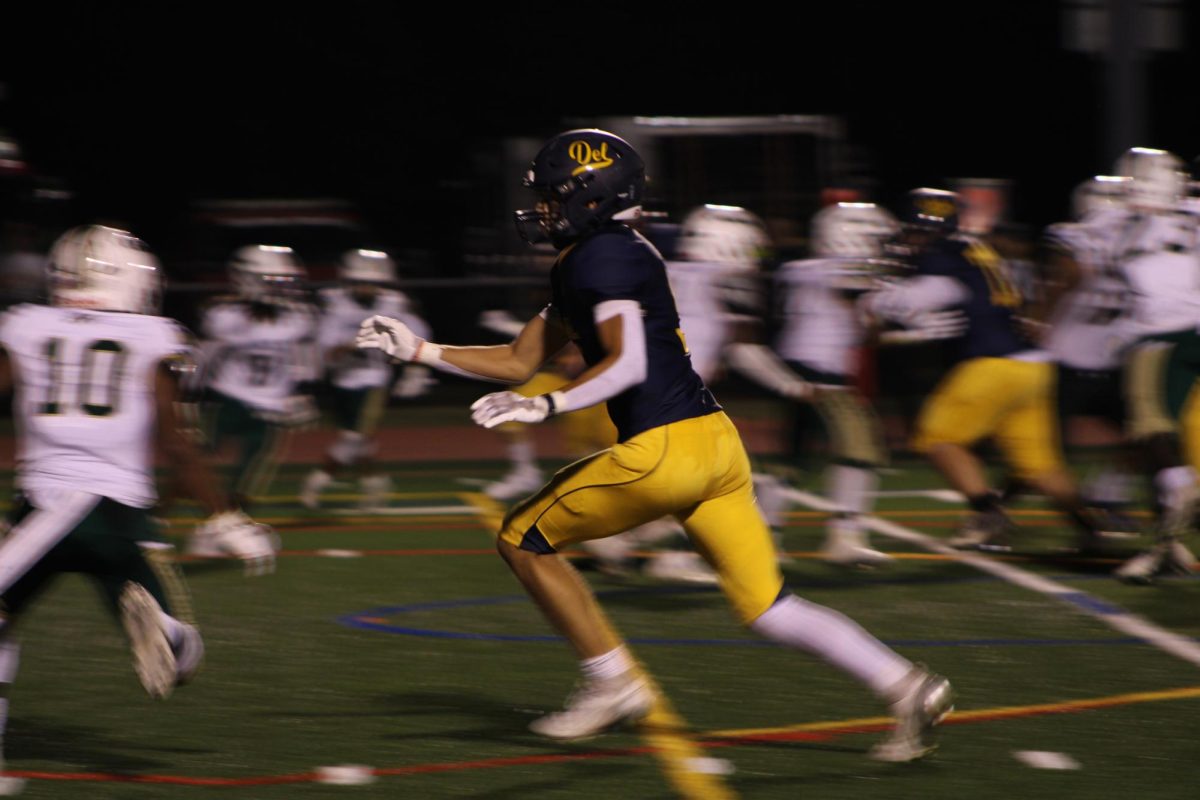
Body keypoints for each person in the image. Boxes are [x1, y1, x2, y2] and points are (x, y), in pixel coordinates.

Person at [357, 129, 952, 761]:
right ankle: (907, 686)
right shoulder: (600, 253)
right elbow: (516, 359)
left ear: (591, 195)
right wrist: (419, 350)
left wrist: (549, 404)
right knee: (768, 607)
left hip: (662, 448)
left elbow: (628, 362)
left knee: (521, 540)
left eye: (554, 196)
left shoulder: (600, 258)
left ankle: (610, 680)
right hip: (716, 446)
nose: (543, 209)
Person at [0, 225, 277, 774]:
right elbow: (178, 444)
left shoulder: (25, 326)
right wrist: (224, 517)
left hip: (45, 507)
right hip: (121, 517)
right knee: (176, 666)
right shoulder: (154, 335)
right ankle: (175, 639)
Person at [860, 189, 1106, 553]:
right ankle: (1090, 527)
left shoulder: (944, 255)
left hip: (993, 364)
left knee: (937, 439)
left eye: (913, 231)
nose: (908, 240)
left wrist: (875, 301)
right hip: (1033, 367)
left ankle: (987, 515)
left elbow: (919, 299)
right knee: (1039, 467)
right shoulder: (975, 250)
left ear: (927, 229)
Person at [1084, 148, 1200, 581]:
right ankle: (1167, 547)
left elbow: (1118, 271)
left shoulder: (1129, 228)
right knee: (1168, 444)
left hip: (1161, 339)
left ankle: (1180, 496)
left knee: (1153, 433)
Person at [300, 249, 432, 511]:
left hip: (375, 379)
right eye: (360, 281)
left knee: (355, 437)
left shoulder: (394, 304)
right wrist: (352, 345)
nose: (366, 287)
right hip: (342, 381)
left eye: (372, 282)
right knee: (359, 440)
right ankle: (375, 483)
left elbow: (420, 336)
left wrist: (417, 370)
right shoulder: (335, 304)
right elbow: (326, 350)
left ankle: (318, 480)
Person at [198, 245, 318, 512]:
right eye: (273, 281)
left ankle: (231, 519)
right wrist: (192, 396)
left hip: (271, 404)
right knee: (199, 460)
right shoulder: (225, 315)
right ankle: (165, 511)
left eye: (285, 281)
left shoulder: (299, 318)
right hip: (229, 396)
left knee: (249, 474)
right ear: (248, 278)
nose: (282, 288)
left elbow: (304, 361)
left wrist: (303, 394)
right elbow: (204, 359)